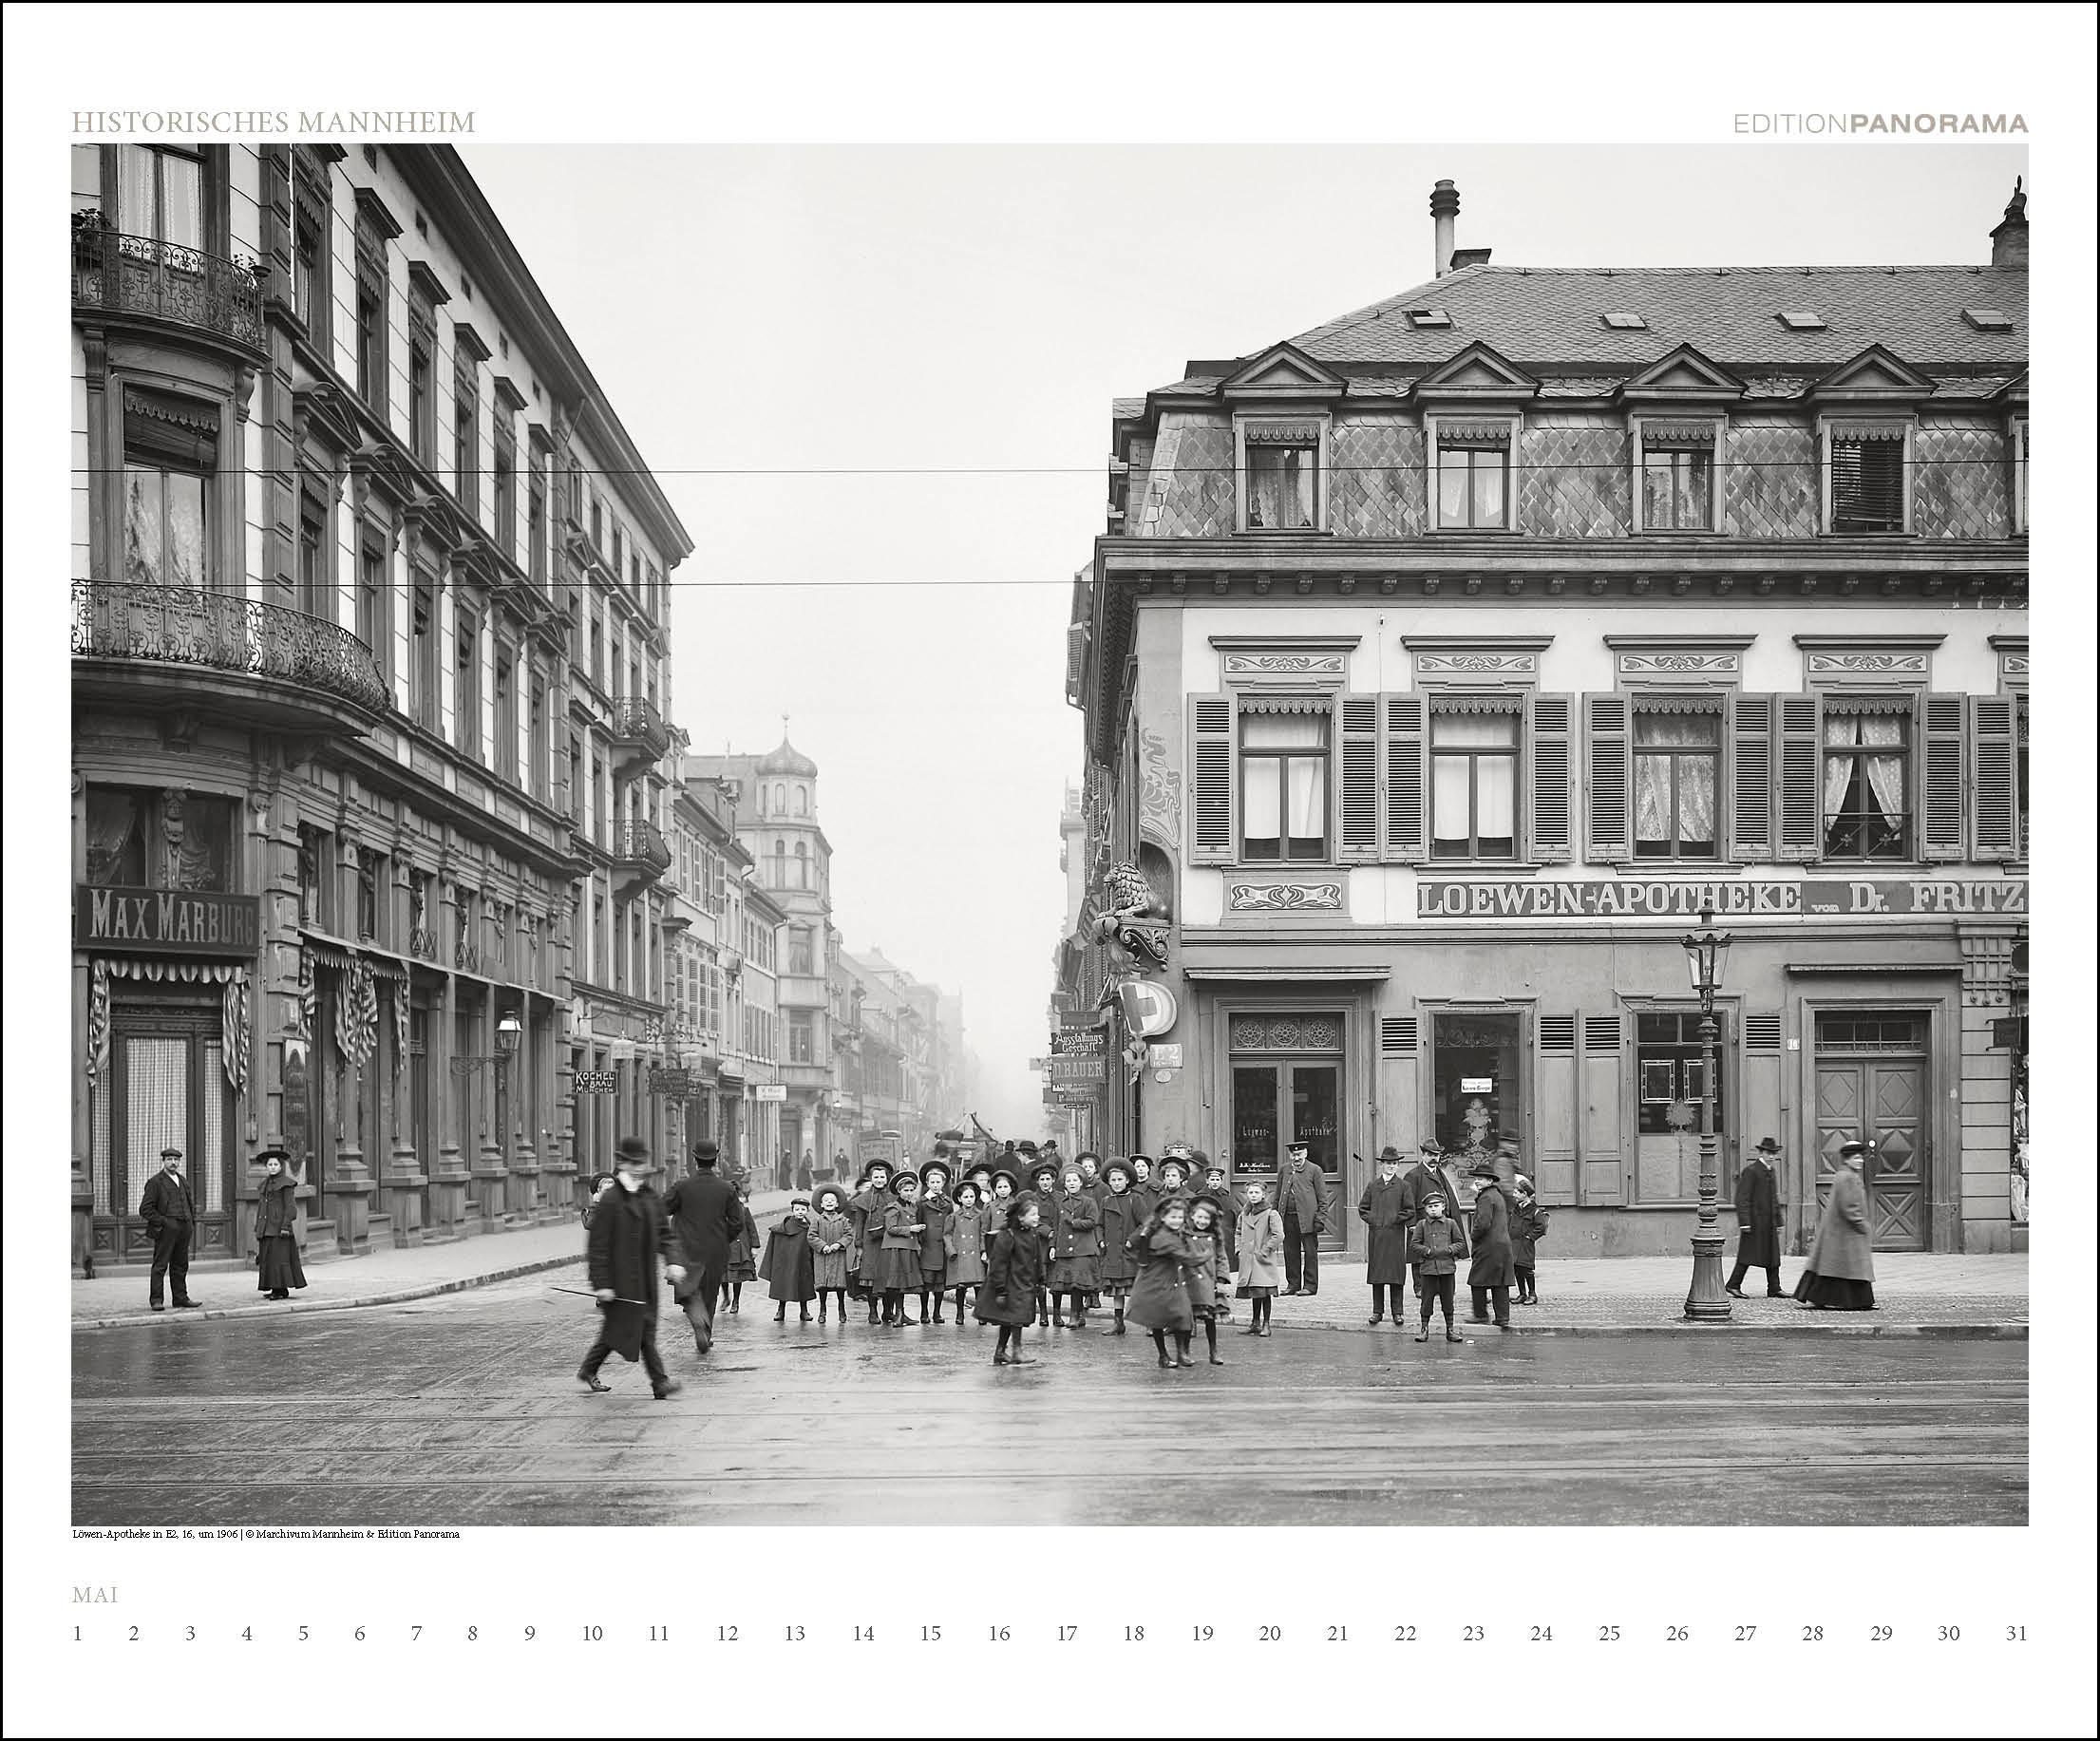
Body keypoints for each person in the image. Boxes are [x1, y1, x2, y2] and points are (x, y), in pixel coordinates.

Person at [577, 1141, 684, 1399]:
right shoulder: (611, 1200)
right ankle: (660, 1383)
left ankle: (589, 1368)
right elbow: (598, 1247)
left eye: (642, 1164)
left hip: (645, 1280)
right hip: (619, 1281)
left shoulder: (649, 1196)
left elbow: (664, 1234)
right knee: (638, 1330)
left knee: (621, 1331)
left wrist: (673, 1260)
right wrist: (602, 1284)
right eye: (633, 1164)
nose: (639, 1169)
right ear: (622, 1164)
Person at [664, 1139, 743, 1357]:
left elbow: (664, 1207)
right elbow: (738, 1222)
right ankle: (706, 1333)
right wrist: (721, 1238)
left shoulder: (682, 1186)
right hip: (716, 1249)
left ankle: (698, 1322)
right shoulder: (726, 1188)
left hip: (686, 1249)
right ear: (716, 1158)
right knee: (710, 1293)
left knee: (688, 1291)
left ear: (694, 1157)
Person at [1794, 1141, 1877, 1311]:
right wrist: (1862, 1225)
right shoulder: (1847, 1177)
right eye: (1856, 1158)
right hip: (1846, 1233)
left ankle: (1825, 1298)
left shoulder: (1845, 1175)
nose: (1860, 1161)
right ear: (1847, 1160)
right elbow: (1849, 1207)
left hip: (1840, 1232)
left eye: (1861, 1157)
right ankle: (1856, 1301)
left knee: (1833, 1269)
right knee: (1850, 1268)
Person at [1126, 1199, 1198, 1369]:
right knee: (1157, 1318)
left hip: (1177, 1278)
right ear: (1164, 1217)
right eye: (1173, 1217)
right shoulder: (1155, 1233)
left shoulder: (1182, 1231)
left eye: (1180, 1217)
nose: (1177, 1221)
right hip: (1156, 1280)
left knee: (1184, 1315)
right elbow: (1136, 1247)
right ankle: (1163, 1355)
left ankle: (1182, 1353)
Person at [977, 1198, 1044, 1366]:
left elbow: (1037, 1258)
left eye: (1037, 1214)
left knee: (1010, 1319)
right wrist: (1000, 1290)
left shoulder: (1032, 1233)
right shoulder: (1007, 1235)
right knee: (1016, 1318)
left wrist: (1040, 1279)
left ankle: (1000, 1352)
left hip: (1025, 1282)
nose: (1037, 1218)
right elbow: (998, 1263)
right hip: (1011, 1284)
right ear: (1021, 1217)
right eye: (1033, 1214)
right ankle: (1016, 1351)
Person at [1399, 1141, 1464, 1304]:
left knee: (1442, 1252)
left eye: (1436, 1155)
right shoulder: (1413, 1175)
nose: (1434, 1158)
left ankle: (1442, 1287)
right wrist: (1411, 1223)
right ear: (1423, 1155)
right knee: (1420, 1254)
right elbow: (1407, 1201)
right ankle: (1420, 1287)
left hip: (1442, 1223)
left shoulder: (1440, 1174)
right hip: (1422, 1221)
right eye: (1430, 1155)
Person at [139, 1146, 200, 1311]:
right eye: (169, 1160)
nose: (173, 1163)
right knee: (160, 1265)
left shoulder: (183, 1180)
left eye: (176, 1160)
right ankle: (156, 1300)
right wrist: (164, 1222)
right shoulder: (155, 1182)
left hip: (184, 1228)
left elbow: (189, 1203)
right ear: (164, 1161)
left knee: (181, 1265)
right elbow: (145, 1209)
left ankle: (180, 1298)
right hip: (166, 1229)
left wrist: (190, 1222)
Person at [1406, 1192, 1469, 1342]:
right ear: (1426, 1210)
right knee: (1426, 1301)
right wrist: (1426, 1251)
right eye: (1430, 1207)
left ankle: (1450, 1330)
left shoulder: (1451, 1223)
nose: (1433, 1209)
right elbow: (1414, 1244)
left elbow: (1460, 1242)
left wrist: (1449, 1250)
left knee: (1448, 1301)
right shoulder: (1421, 1225)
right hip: (1428, 1269)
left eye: (1436, 1206)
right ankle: (1424, 1329)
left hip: (1447, 1268)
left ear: (1443, 1207)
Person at [1729, 1136, 1787, 1298]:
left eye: (1774, 1153)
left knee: (1773, 1256)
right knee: (1747, 1255)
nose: (1771, 1156)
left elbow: (1774, 1198)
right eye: (1768, 1153)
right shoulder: (1751, 1171)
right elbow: (1742, 1198)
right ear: (1761, 1152)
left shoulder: (1771, 1171)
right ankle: (1733, 1285)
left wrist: (1779, 1221)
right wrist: (1745, 1222)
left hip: (1769, 1223)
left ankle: (1774, 1288)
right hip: (1754, 1222)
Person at [1359, 1146, 1410, 1325]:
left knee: (1396, 1276)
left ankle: (1398, 1312)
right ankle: (1377, 1311)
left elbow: (1409, 1210)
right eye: (1388, 1163)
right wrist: (1374, 1220)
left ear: (1398, 1166)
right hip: (1377, 1236)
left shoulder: (1404, 1186)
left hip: (1395, 1236)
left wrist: (1396, 1219)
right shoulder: (1373, 1186)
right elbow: (1363, 1208)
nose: (1391, 1166)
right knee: (1378, 1276)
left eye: (1394, 1164)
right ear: (1382, 1165)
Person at [1276, 1140, 1332, 1296]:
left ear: (1305, 1154)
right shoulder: (1284, 1170)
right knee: (1290, 1252)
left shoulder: (1315, 1170)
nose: (1296, 1158)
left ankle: (1310, 1286)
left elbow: (1323, 1199)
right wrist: (1274, 1216)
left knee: (1310, 1253)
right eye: (1293, 1155)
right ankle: (1293, 1284)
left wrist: (1320, 1219)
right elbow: (1278, 1195)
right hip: (1287, 1219)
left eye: (1299, 1154)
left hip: (1308, 1220)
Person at [1049, 1164, 1102, 1329]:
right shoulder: (1060, 1203)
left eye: (1075, 1180)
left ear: (1081, 1183)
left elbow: (1093, 1222)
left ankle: (1075, 1315)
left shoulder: (1089, 1201)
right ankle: (1077, 1315)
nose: (1071, 1183)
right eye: (1068, 1181)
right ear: (1064, 1184)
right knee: (1069, 1284)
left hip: (1083, 1248)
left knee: (1078, 1284)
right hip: (1064, 1249)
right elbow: (1056, 1226)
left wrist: (1074, 1223)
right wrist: (1052, 1247)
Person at [874, 1170, 930, 1327]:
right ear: (899, 1191)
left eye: (912, 1190)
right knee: (897, 1282)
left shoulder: (912, 1207)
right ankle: (898, 1314)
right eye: (906, 1190)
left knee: (904, 1283)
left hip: (908, 1248)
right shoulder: (893, 1207)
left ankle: (901, 1314)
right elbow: (891, 1228)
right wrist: (911, 1229)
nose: (909, 1193)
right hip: (895, 1249)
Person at [1094, 1159, 1143, 1334]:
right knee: (1117, 1291)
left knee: (1139, 1290)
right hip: (1112, 1253)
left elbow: (1145, 1224)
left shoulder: (1135, 1199)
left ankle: (1152, 1323)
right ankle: (1118, 1323)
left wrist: (1132, 1240)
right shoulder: (1106, 1201)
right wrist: (1100, 1241)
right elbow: (1098, 1225)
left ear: (1127, 1180)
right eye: (1113, 1180)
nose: (1116, 1183)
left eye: (1120, 1180)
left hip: (1130, 1252)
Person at [1466, 1161, 1515, 1330]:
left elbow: (1483, 1223)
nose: (1477, 1181)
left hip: (1488, 1246)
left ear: (1490, 1181)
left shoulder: (1486, 1197)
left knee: (1477, 1280)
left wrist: (1473, 1236)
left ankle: (1480, 1315)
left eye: (1481, 1178)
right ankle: (1503, 1318)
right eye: (1476, 1178)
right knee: (1500, 1283)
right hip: (1502, 1245)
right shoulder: (1497, 1195)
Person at [253, 1148, 306, 1301]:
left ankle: (281, 1290)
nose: (273, 1167)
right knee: (268, 1259)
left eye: (276, 1164)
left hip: (279, 1229)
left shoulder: (286, 1184)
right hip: (266, 1228)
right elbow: (262, 1208)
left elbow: (291, 1208)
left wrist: (285, 1226)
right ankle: (276, 1288)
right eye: (270, 1164)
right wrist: (259, 1227)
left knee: (278, 1259)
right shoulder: (265, 1185)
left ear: (281, 1166)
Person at [847, 1161, 897, 1324]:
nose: (879, 1180)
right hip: (870, 1243)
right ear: (870, 1178)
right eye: (876, 1177)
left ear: (887, 1178)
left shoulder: (893, 1197)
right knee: (870, 1276)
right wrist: (859, 1245)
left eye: (882, 1177)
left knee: (889, 1276)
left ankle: (888, 1311)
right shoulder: (863, 1199)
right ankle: (873, 1311)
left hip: (889, 1241)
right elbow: (859, 1223)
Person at [1235, 1179, 1284, 1335]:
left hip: (1263, 1259)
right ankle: (1255, 1322)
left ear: (1264, 1195)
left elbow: (1278, 1235)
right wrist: (1239, 1250)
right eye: (1250, 1192)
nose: (1253, 1195)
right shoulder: (1244, 1214)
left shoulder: (1271, 1214)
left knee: (1264, 1293)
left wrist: (1265, 1250)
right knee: (1254, 1292)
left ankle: (1266, 1324)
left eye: (1257, 1192)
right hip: (1248, 1260)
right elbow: (1238, 1232)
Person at [1184, 1195, 1228, 1365]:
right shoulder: (1185, 1235)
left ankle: (1214, 1351)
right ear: (1192, 1216)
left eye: (1206, 1218)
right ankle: (1185, 1351)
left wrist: (1221, 1279)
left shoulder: (1215, 1237)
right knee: (1187, 1319)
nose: (1202, 1221)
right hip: (1189, 1282)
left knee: (1210, 1319)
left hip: (1209, 1283)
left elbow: (1221, 1258)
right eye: (1199, 1217)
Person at [760, 1195, 817, 1323]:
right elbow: (778, 1245)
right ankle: (781, 1310)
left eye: (803, 1209)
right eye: (797, 1209)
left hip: (803, 1262)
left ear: (807, 1211)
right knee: (783, 1284)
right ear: (793, 1211)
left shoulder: (810, 1228)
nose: (800, 1212)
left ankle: (804, 1310)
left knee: (804, 1285)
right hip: (786, 1262)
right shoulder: (783, 1228)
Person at [944, 1180, 990, 1322]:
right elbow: (947, 1234)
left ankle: (980, 1313)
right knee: (961, 1286)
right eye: (965, 1197)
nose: (969, 1200)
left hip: (975, 1252)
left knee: (978, 1285)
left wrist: (984, 1250)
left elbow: (984, 1233)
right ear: (959, 1199)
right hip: (960, 1253)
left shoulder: (981, 1215)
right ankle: (959, 1313)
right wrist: (951, 1250)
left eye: (971, 1197)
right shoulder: (954, 1217)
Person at [917, 1159, 955, 1323]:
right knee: (926, 1282)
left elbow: (952, 1223)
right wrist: (919, 1242)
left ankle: (937, 1312)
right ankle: (924, 1312)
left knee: (940, 1283)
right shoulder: (921, 1202)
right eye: (932, 1182)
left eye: (938, 1182)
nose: (935, 1185)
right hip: (927, 1246)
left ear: (943, 1183)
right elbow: (917, 1222)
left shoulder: (948, 1202)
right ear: (927, 1183)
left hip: (942, 1247)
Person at [1025, 1160, 1062, 1328]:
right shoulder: (1033, 1199)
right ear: (1037, 1182)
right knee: (1041, 1281)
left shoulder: (1061, 1197)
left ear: (1053, 1179)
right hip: (1039, 1244)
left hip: (1059, 1243)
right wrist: (1048, 1232)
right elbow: (1032, 1220)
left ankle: (1057, 1314)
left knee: (1056, 1282)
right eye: (1042, 1180)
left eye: (1048, 1179)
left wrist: (1057, 1234)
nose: (1045, 1182)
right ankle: (1044, 1315)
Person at [810, 1184, 853, 1323]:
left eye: (832, 1200)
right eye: (826, 1200)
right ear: (821, 1204)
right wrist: (822, 1246)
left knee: (840, 1286)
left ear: (837, 1204)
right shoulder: (817, 1220)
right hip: (822, 1256)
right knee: (822, 1286)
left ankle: (841, 1309)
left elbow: (848, 1235)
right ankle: (822, 1310)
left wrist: (838, 1244)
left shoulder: (843, 1220)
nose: (829, 1202)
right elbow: (811, 1236)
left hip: (838, 1256)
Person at [1509, 1175, 1549, 1305]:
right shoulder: (1515, 1208)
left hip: (1526, 1245)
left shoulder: (1534, 1210)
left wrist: (1530, 1237)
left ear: (1524, 1194)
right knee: (1517, 1269)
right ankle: (1522, 1294)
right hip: (1514, 1244)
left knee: (1527, 1269)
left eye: (1516, 1192)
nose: (1514, 1195)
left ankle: (1532, 1294)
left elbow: (1541, 1227)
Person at [724, 1175, 761, 1315]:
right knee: (723, 1276)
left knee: (736, 1277)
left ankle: (736, 1301)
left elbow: (752, 1229)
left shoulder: (743, 1210)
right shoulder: (719, 1211)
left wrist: (754, 1247)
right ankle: (726, 1297)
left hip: (740, 1249)